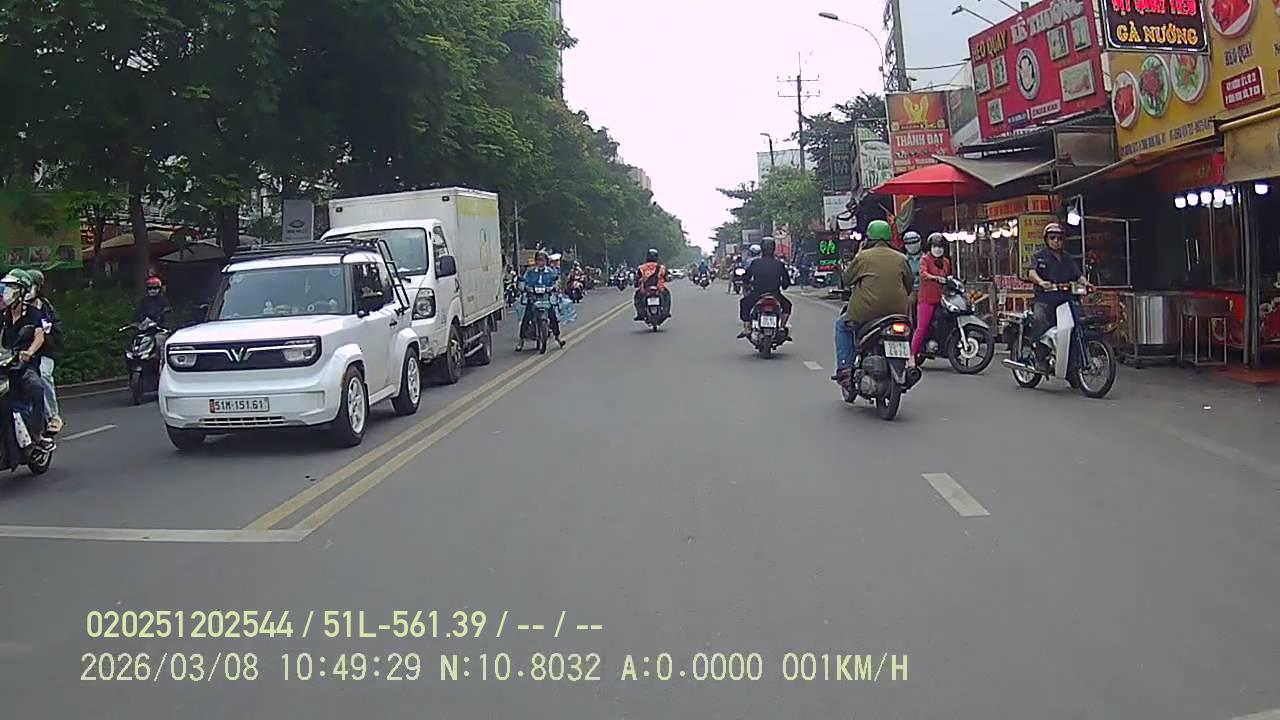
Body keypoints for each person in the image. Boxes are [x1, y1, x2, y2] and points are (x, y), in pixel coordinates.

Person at [831, 219, 914, 386]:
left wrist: (857, 254)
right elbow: (909, 285)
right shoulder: (901, 258)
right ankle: (909, 364)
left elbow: (847, 280)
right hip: (898, 312)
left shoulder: (863, 257)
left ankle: (845, 368)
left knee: (842, 326)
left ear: (869, 238)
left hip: (866, 312)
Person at [1028, 222, 1093, 370]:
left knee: (1079, 320)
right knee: (1040, 319)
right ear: (1046, 239)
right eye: (1052, 238)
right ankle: (1039, 356)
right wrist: (1041, 282)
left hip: (1066, 300)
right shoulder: (1040, 256)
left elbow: (1078, 275)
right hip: (1045, 300)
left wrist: (1087, 283)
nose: (1056, 241)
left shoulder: (1067, 258)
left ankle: (1073, 359)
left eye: (1059, 238)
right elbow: (1031, 273)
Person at [0, 270, 51, 444]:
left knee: (36, 387)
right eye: (6, 287)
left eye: (12, 287)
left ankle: (37, 433)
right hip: (3, 366)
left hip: (23, 366)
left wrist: (29, 352)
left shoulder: (34, 313)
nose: (7, 291)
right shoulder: (2, 315)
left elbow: (39, 336)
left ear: (22, 291)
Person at [25, 269, 62, 434]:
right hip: (18, 353)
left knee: (43, 375)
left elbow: (57, 332)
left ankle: (53, 416)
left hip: (43, 354)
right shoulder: (13, 309)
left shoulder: (46, 308)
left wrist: (47, 337)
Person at [738, 237, 793, 339]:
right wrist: (782, 285)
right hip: (775, 294)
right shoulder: (779, 264)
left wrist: (746, 283)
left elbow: (746, 278)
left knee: (744, 303)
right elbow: (786, 283)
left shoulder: (755, 263)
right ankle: (782, 326)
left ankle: (747, 328)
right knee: (787, 305)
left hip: (757, 294)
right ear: (773, 249)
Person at [911, 234, 953, 357]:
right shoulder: (925, 259)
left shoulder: (946, 262)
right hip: (926, 299)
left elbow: (947, 276)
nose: (938, 249)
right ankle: (912, 355)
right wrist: (935, 278)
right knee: (922, 327)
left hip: (941, 299)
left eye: (940, 247)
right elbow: (923, 274)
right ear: (930, 247)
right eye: (935, 246)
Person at [517, 250, 564, 350]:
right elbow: (523, 281)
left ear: (546, 261)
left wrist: (555, 287)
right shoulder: (530, 272)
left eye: (542, 260)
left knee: (553, 317)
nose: (541, 262)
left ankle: (557, 337)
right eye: (539, 260)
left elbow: (556, 281)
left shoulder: (551, 272)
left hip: (546, 298)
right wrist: (524, 287)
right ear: (536, 261)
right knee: (526, 317)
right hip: (533, 298)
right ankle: (521, 341)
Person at [633, 248, 671, 320]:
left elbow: (637, 278)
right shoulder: (661, 267)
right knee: (667, 295)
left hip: (645, 289)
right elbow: (666, 276)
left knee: (637, 297)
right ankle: (666, 312)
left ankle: (640, 314)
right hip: (659, 288)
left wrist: (636, 283)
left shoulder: (642, 267)